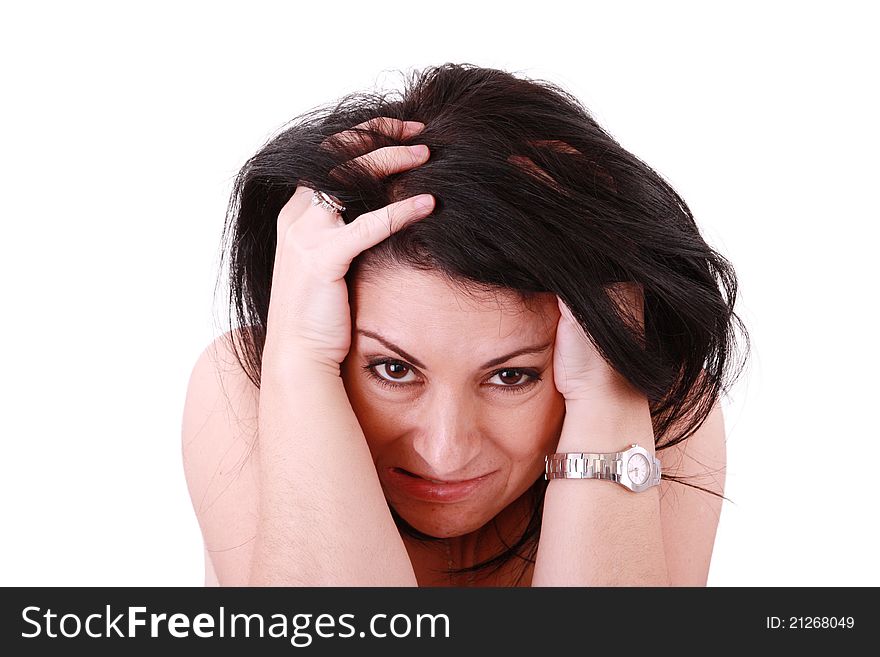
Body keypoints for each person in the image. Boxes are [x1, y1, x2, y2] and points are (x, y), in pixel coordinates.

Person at [181, 63, 749, 587]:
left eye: (512, 377)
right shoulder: (251, 386)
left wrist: (607, 395)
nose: (445, 452)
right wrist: (298, 360)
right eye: (393, 369)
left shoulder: (659, 412)